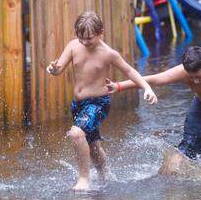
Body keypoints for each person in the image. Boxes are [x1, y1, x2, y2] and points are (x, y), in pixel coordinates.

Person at [47, 11, 158, 190]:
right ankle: (106, 175)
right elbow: (59, 68)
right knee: (92, 145)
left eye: (89, 38)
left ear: (101, 33)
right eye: (81, 37)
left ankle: (84, 179)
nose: (85, 42)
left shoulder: (108, 54)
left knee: (76, 134)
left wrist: (146, 87)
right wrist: (53, 69)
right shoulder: (74, 46)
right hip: (78, 105)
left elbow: (130, 71)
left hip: (98, 103)